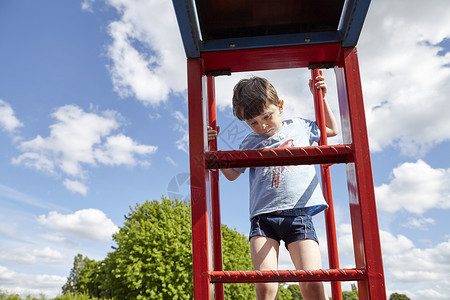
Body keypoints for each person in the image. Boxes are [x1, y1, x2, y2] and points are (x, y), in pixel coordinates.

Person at [208, 74, 339, 300]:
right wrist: (214, 147)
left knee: (313, 283)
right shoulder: (250, 142)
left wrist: (321, 98)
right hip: (263, 219)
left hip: (298, 215)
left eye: (267, 116)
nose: (262, 126)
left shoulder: (299, 126)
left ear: (280, 106)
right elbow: (230, 175)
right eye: (253, 123)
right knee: (266, 286)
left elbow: (331, 130)